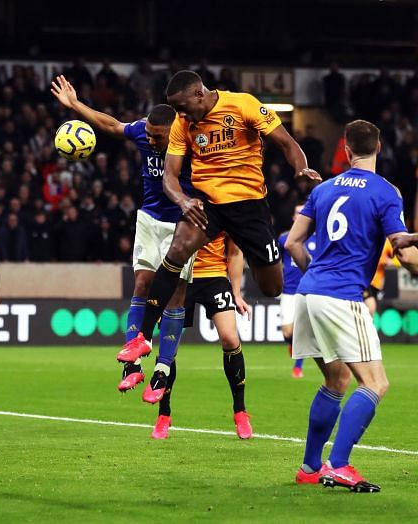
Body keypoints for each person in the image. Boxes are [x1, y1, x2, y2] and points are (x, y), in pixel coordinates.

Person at [134, 70, 321, 400]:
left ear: (199, 94)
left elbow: (287, 143)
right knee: (176, 250)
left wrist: (300, 167)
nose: (181, 115)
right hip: (209, 206)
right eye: (175, 109)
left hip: (249, 208)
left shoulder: (242, 105)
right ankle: (143, 337)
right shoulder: (182, 124)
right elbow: (171, 177)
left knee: (272, 286)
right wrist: (182, 200)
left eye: (183, 107)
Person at [286, 120, 418, 492]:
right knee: (375, 383)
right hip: (342, 296)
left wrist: (317, 278)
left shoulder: (324, 189)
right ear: (380, 148)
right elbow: (404, 253)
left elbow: (294, 243)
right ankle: (339, 464)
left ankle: (311, 467)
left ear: (345, 150)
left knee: (336, 379)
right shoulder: (386, 191)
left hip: (309, 294)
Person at [50, 75, 195, 395]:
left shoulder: (189, 139)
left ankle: (163, 368)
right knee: (142, 283)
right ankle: (133, 365)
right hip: (149, 218)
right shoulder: (145, 131)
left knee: (175, 293)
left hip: (183, 223)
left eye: (158, 138)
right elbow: (112, 125)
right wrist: (75, 105)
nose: (151, 142)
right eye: (149, 136)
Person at [152, 233, 253, 439]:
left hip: (214, 277)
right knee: (169, 347)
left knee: (230, 339)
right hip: (179, 277)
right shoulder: (182, 204)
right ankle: (164, 414)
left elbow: (235, 251)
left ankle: (240, 412)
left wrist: (236, 294)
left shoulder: (225, 205)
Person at [278, 204, 317, 379]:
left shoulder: (318, 239)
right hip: (288, 290)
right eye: (297, 213)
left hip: (308, 291)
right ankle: (293, 345)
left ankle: (298, 367)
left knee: (302, 330)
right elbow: (276, 262)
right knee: (287, 332)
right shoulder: (284, 239)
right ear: (294, 217)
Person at [363, 240, 395, 315]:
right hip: (366, 279)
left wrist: (390, 261)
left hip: (377, 283)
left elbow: (397, 258)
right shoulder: (368, 237)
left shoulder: (388, 241)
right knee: (371, 306)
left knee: (371, 310)